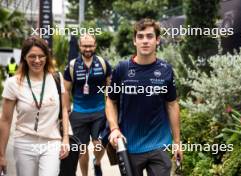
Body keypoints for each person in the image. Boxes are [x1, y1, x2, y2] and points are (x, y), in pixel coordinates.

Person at [106, 18, 183, 176]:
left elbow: (172, 105)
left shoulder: (166, 70)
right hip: (130, 146)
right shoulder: (122, 69)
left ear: (157, 40)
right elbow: (110, 101)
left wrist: (177, 142)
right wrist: (114, 128)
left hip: (159, 144)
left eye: (149, 36)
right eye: (140, 37)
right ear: (134, 41)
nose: (145, 41)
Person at [0, 36, 70, 176]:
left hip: (52, 142)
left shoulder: (56, 78)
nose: (37, 60)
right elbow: (6, 120)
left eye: (41, 56)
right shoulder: (13, 83)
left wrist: (66, 139)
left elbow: (64, 109)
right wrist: (1, 154)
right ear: (24, 57)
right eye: (32, 56)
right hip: (24, 143)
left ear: (47, 57)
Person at [63, 34, 111, 176]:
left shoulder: (103, 63)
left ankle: (97, 162)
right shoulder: (72, 66)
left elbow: (110, 85)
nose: (87, 48)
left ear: (95, 46)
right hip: (79, 112)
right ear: (80, 46)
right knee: (82, 149)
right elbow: (66, 89)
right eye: (85, 46)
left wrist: (110, 106)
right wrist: (67, 109)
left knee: (99, 143)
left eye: (90, 46)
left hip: (99, 111)